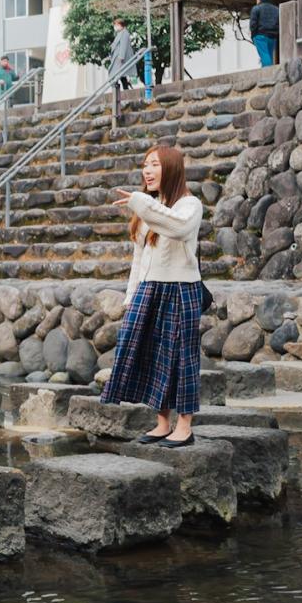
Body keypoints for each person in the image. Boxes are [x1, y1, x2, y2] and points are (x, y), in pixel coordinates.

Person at [101, 144, 205, 447]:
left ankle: (184, 426)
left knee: (181, 358)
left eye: (155, 164)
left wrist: (142, 204)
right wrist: (131, 297)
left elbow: (178, 229)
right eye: (145, 164)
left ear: (171, 168)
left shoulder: (190, 205)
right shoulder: (149, 208)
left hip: (180, 289)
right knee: (150, 354)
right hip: (149, 288)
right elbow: (139, 257)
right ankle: (162, 423)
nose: (147, 170)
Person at [250, 0, 280, 67]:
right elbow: (278, 23)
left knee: (264, 55)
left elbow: (253, 24)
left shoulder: (256, 8)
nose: (256, 0)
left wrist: (253, 35)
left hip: (260, 36)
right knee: (269, 55)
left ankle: (267, 72)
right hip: (273, 37)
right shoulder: (276, 9)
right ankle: (265, 70)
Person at [109, 18, 136, 89]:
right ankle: (125, 88)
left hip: (120, 59)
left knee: (119, 75)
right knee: (120, 75)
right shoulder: (120, 33)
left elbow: (123, 46)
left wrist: (121, 56)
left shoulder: (124, 33)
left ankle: (123, 89)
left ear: (119, 25)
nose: (115, 27)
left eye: (115, 25)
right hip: (118, 58)